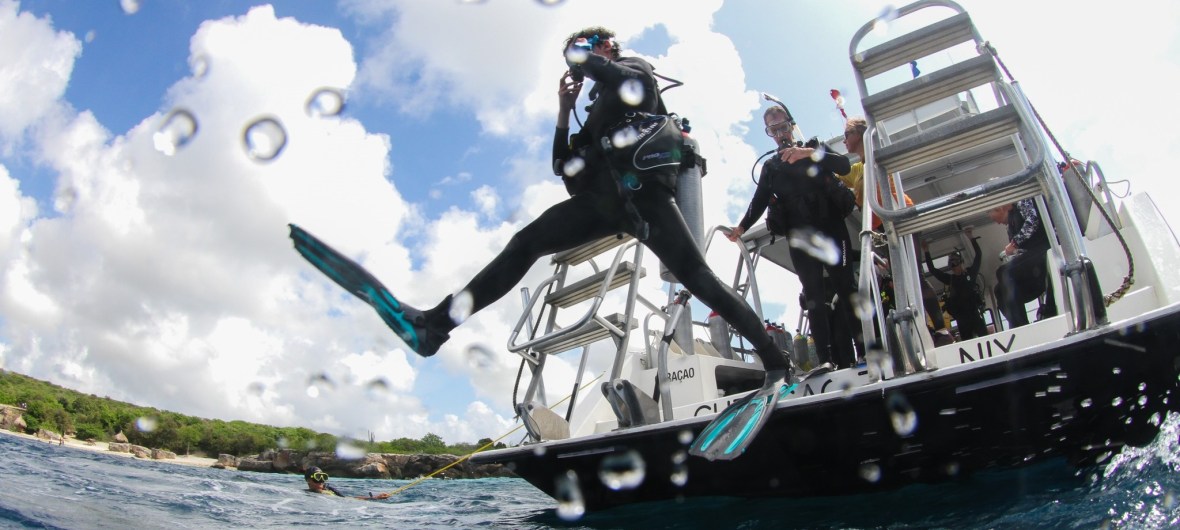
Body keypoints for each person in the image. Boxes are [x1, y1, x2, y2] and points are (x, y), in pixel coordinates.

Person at [729, 106, 859, 369]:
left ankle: (866, 350)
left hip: (832, 229)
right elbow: (759, 201)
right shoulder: (771, 167)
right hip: (800, 237)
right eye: (773, 130)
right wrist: (741, 228)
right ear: (769, 134)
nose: (780, 134)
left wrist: (807, 153)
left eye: (783, 127)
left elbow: (844, 165)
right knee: (814, 297)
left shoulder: (815, 147)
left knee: (846, 288)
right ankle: (825, 360)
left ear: (791, 125)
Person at [842, 116, 953, 346]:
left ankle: (942, 330)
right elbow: (837, 171)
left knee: (914, 274)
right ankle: (920, 331)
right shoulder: (857, 169)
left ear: (859, 134)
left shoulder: (879, 154)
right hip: (880, 229)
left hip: (900, 217)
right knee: (899, 280)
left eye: (846, 135)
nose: (844, 140)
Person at [989, 199, 1057, 328]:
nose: (997, 223)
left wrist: (1014, 243)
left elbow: (1033, 221)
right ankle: (1017, 325)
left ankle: (1021, 325)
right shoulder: (1010, 224)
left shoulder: (1023, 201)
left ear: (999, 208)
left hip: (1042, 250)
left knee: (1003, 272)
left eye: (994, 218)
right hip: (1032, 262)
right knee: (998, 291)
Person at [922, 228, 988, 340]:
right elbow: (933, 270)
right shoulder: (950, 279)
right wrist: (926, 251)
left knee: (985, 338)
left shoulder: (970, 274)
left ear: (961, 261)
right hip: (962, 318)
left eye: (955, 262)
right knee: (967, 341)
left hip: (974, 314)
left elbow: (978, 256)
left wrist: (971, 237)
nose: (954, 266)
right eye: (952, 264)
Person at [304, 466, 391, 500]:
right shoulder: (304, 495)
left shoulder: (329, 490)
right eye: (318, 477)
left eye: (324, 477)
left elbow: (347, 499)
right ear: (308, 480)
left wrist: (375, 497)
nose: (321, 480)